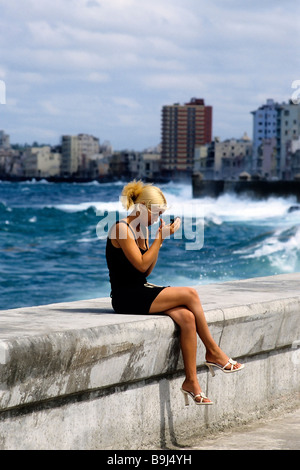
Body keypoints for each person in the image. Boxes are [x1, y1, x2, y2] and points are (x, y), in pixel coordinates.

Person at [106, 180, 244, 406]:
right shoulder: (121, 228)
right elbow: (140, 266)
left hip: (140, 289)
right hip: (126, 297)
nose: (158, 218)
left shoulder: (140, 230)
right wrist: (161, 237)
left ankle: (191, 382)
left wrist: (156, 239)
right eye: (157, 213)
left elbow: (146, 270)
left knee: (187, 317)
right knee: (190, 294)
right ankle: (214, 352)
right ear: (142, 208)